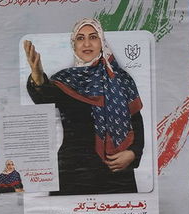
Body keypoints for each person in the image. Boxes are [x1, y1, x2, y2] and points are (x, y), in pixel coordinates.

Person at [24, 18, 144, 196]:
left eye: (93, 37)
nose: (86, 43)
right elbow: (43, 98)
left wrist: (133, 154)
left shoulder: (121, 80)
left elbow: (137, 122)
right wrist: (38, 76)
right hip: (73, 174)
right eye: (80, 38)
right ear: (74, 44)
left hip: (115, 174)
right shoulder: (64, 80)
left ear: (102, 42)